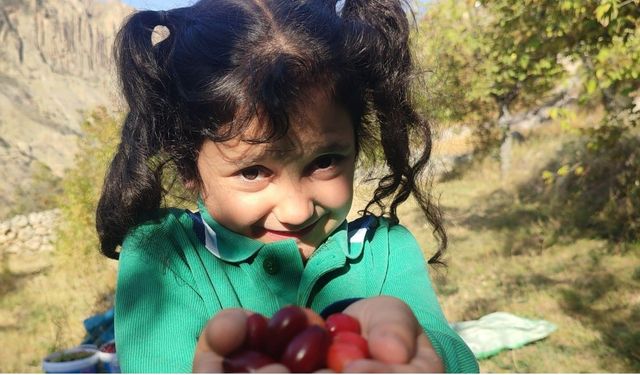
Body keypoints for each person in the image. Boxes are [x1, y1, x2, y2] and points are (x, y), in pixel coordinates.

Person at [96, 0, 479, 372]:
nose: (297, 211)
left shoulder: (386, 253)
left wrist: (426, 355)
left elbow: (450, 354)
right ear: (188, 166)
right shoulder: (164, 258)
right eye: (252, 172)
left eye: (324, 162)